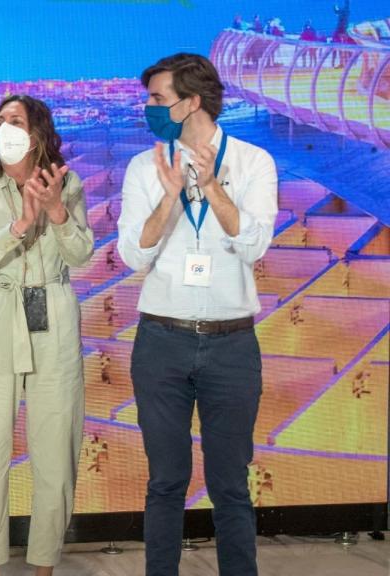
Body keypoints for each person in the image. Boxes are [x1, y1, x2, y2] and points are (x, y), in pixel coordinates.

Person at [117, 53, 278, 576]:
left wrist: (213, 189)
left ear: (192, 102)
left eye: (158, 99)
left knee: (230, 484)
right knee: (165, 480)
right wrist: (168, 202)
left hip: (232, 345)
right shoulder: (145, 167)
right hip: (161, 343)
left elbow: (253, 246)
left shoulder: (254, 163)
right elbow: (133, 256)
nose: (149, 108)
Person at [0, 94, 93, 575]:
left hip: (52, 311)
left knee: (57, 448)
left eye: (16, 120)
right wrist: (20, 225)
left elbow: (80, 254)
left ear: (38, 131)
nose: (5, 127)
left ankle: (44, 564)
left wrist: (55, 210)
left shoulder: (67, 182)